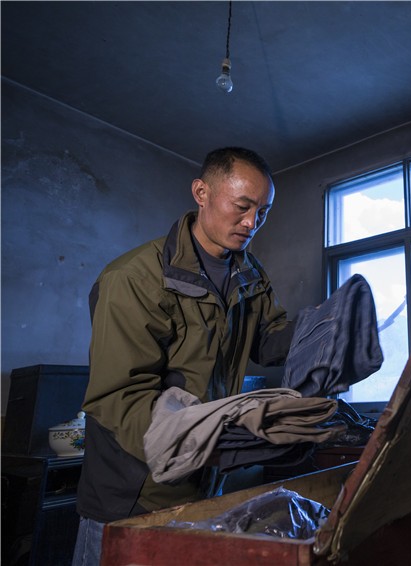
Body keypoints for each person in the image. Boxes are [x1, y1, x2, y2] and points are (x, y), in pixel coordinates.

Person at [72, 147, 296, 566]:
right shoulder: (134, 279)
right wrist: (211, 443)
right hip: (133, 497)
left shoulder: (250, 274)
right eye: (243, 207)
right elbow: (121, 399)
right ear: (201, 193)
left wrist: (319, 331)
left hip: (203, 489)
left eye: (263, 212)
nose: (252, 223)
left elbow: (268, 340)